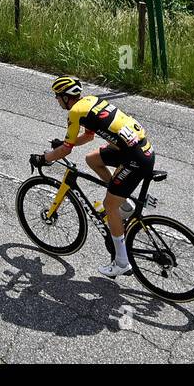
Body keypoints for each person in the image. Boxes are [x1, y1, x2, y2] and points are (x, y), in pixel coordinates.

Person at [36, 76, 155, 280]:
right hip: (140, 149)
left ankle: (121, 262)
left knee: (109, 205)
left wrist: (43, 158)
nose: (57, 101)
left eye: (57, 96)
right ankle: (125, 205)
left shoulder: (75, 112)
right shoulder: (91, 101)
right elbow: (88, 137)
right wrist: (64, 143)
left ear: (66, 97)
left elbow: (65, 151)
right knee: (93, 159)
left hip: (134, 159)